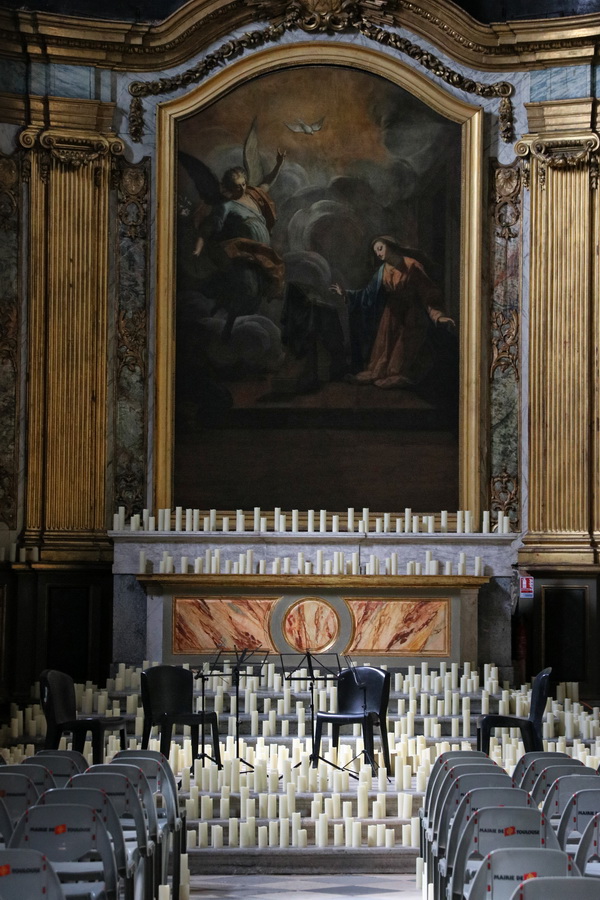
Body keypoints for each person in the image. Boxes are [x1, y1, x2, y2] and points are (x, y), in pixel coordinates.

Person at [331, 235, 455, 388]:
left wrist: (438, 315)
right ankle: (380, 374)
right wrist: (346, 294)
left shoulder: (412, 266)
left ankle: (400, 377)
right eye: (375, 251)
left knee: (404, 351)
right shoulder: (383, 270)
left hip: (411, 315)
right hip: (390, 315)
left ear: (391, 246)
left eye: (380, 248)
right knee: (385, 350)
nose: (378, 253)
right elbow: (367, 294)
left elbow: (428, 293)